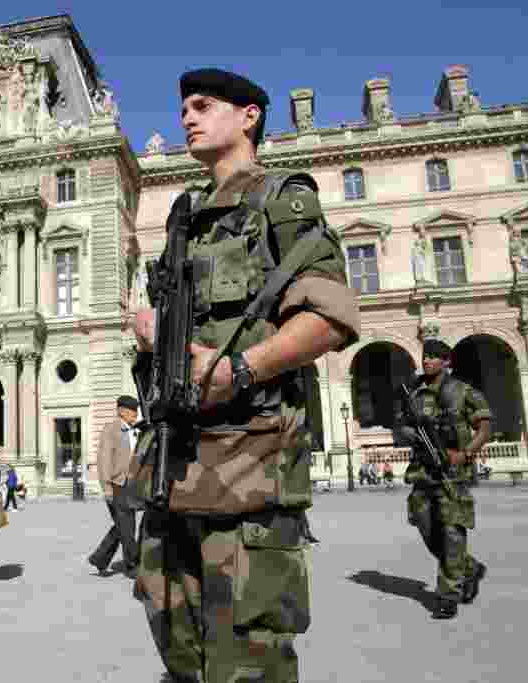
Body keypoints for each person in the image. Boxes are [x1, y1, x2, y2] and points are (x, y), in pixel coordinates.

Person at [129, 68, 359, 682]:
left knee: (248, 664)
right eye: (183, 107)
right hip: (174, 469)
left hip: (249, 475)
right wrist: (154, 339)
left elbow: (330, 317)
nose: (186, 116)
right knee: (178, 651)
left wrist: (240, 368)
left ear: (249, 116)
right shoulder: (185, 213)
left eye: (203, 105)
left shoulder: (281, 199)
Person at [393, 338, 492, 620]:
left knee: (451, 531)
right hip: (422, 472)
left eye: (435, 357)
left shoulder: (463, 392)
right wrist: (409, 434)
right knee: (427, 529)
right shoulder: (413, 393)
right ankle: (469, 568)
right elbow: (400, 427)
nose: (428, 361)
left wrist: (465, 454)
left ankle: (448, 595)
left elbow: (484, 428)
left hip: (452, 473)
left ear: (447, 361)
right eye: (426, 356)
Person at [88, 395, 141, 577]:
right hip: (117, 484)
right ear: (121, 411)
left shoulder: (135, 430)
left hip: (133, 485)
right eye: (132, 410)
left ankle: (100, 557)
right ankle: (132, 565)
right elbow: (103, 460)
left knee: (123, 525)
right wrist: (107, 488)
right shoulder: (111, 429)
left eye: (136, 410)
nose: (135, 414)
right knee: (127, 525)